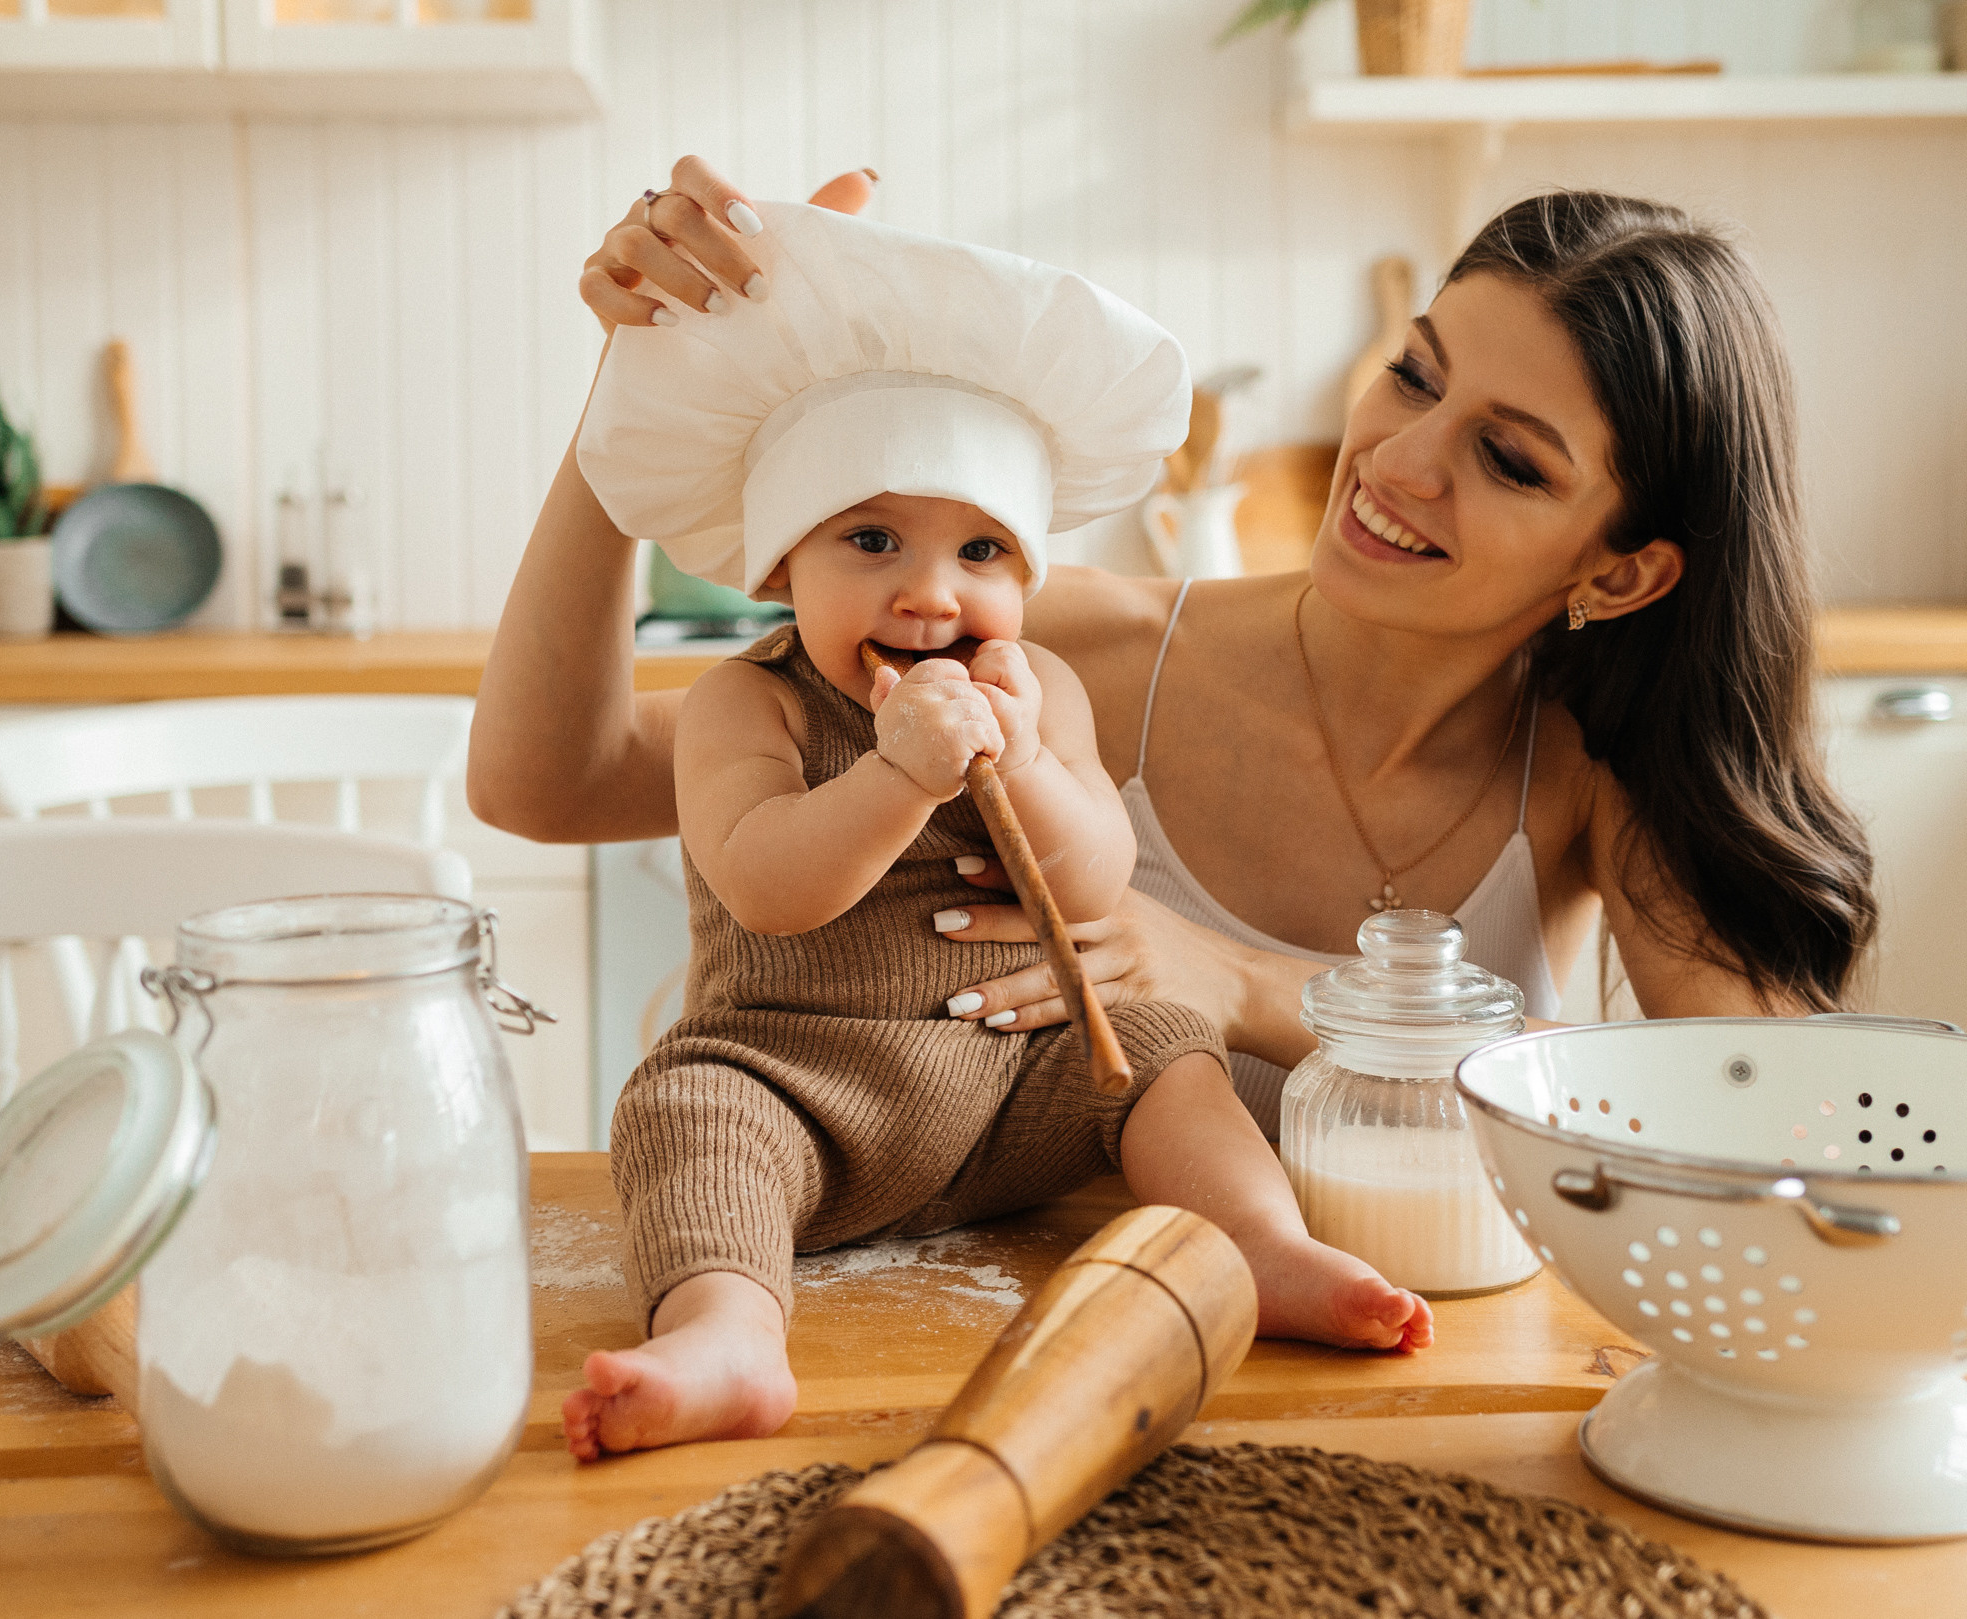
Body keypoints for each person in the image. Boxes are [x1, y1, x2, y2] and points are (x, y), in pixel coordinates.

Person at [474, 158, 1875, 1181]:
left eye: (1507, 457)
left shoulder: (1589, 772)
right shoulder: (1064, 651)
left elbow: (1763, 1111)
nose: (1394, 459)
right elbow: (552, 780)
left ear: (1619, 569)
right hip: (1075, 1333)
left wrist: (1247, 981)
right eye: (1414, 375)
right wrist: (651, 378)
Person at [557, 202, 1431, 1460]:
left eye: (982, 550)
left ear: (1026, 581)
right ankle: (729, 1331)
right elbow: (765, 886)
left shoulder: (1048, 693)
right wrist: (899, 777)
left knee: (1162, 1039)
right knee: (681, 1110)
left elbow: (1094, 885)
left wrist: (1018, 760)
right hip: (803, 1087)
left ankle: (1261, 1244)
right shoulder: (740, 703)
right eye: (869, 540)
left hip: (1016, 1079)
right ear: (777, 569)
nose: (930, 589)